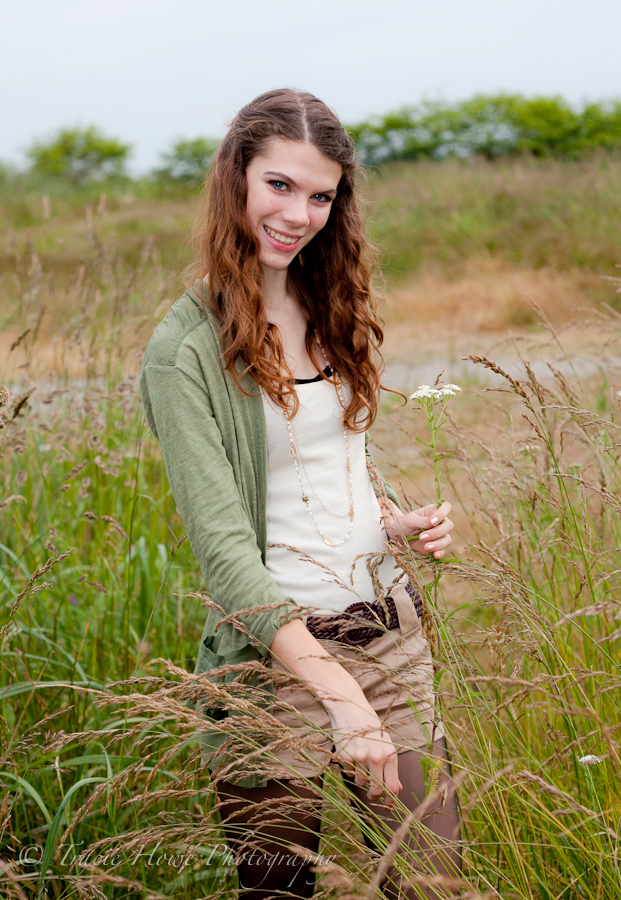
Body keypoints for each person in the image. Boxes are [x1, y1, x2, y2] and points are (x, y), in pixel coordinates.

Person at [140, 89, 461, 900]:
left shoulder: (330, 305)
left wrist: (393, 522)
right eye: (279, 186)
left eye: (321, 195)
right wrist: (339, 697)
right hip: (273, 666)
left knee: (435, 884)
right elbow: (225, 556)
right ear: (234, 179)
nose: (300, 214)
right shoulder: (185, 352)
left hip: (387, 640)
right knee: (281, 892)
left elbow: (326, 466)